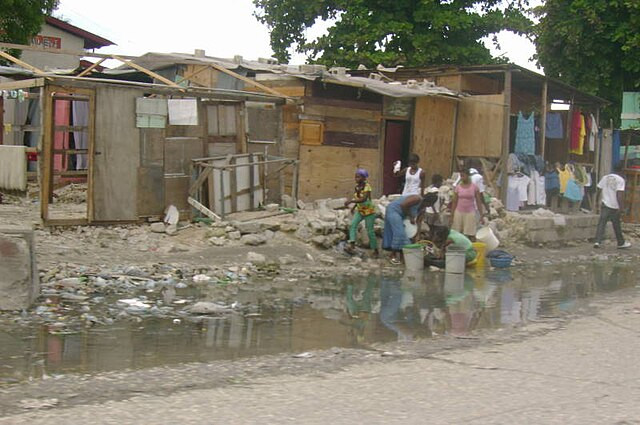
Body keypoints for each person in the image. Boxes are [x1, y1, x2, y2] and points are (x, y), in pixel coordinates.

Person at [593, 164, 631, 249]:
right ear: (621, 171)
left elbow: (599, 189)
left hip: (605, 203)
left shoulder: (605, 177)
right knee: (616, 224)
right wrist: (621, 207)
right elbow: (619, 195)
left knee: (602, 223)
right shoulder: (621, 180)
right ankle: (621, 243)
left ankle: (597, 242)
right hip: (614, 206)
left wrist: (596, 202)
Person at [344, 169, 379, 257]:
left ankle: (375, 250)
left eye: (358, 177)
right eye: (356, 176)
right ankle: (352, 245)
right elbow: (358, 198)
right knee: (353, 225)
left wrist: (351, 201)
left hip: (369, 211)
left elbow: (364, 199)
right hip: (360, 210)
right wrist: (354, 207)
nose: (356, 178)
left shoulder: (367, 187)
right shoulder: (357, 187)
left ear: (364, 178)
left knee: (370, 231)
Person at [382, 194, 423, 265]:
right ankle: (392, 255)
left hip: (402, 215)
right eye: (428, 203)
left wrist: (417, 234)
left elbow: (419, 222)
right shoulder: (417, 198)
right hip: (394, 210)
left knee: (405, 234)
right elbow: (403, 205)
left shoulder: (423, 209)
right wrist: (410, 217)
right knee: (400, 233)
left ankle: (402, 258)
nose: (429, 205)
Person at [451, 168, 486, 241]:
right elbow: (454, 201)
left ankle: (471, 249)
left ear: (468, 176)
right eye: (461, 176)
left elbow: (478, 201)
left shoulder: (474, 187)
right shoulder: (458, 187)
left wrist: (481, 215)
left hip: (470, 212)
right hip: (459, 212)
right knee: (457, 233)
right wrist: (452, 215)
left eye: (463, 176)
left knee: (471, 233)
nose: (462, 178)